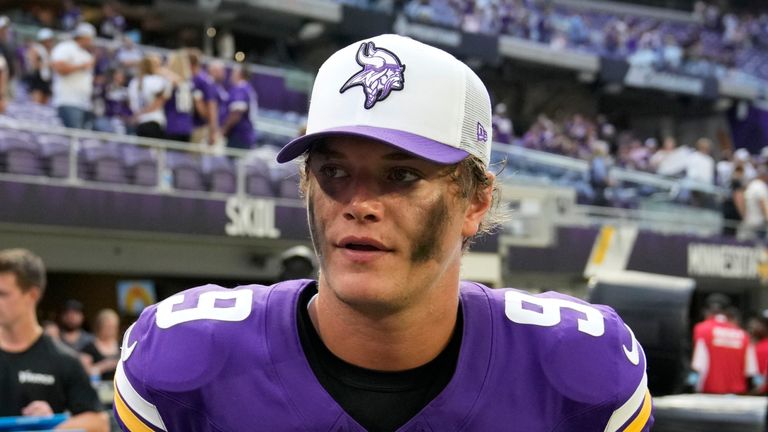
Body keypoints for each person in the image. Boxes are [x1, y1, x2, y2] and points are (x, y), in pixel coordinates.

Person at [114, 34, 653, 431]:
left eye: (402, 176)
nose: (359, 204)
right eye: (333, 172)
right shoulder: (186, 361)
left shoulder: (577, 370)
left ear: (476, 201)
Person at [0, 248, 108, 432]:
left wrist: (53, 425)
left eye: (3, 294)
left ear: (32, 295)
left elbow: (99, 422)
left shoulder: (63, 359)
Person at [691, 294, 759, 394]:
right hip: (737, 395)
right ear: (727, 311)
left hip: (709, 392)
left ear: (706, 310)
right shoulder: (743, 335)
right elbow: (751, 371)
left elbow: (697, 365)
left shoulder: (701, 329)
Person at [51, 22, 96, 129]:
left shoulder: (86, 54)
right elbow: (59, 68)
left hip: (84, 103)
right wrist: (81, 66)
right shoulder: (66, 47)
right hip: (68, 101)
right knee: (73, 138)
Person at [80, 309, 121, 381]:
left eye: (113, 327)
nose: (111, 330)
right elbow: (84, 371)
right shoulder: (89, 348)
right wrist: (105, 366)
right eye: (108, 327)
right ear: (100, 327)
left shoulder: (121, 346)